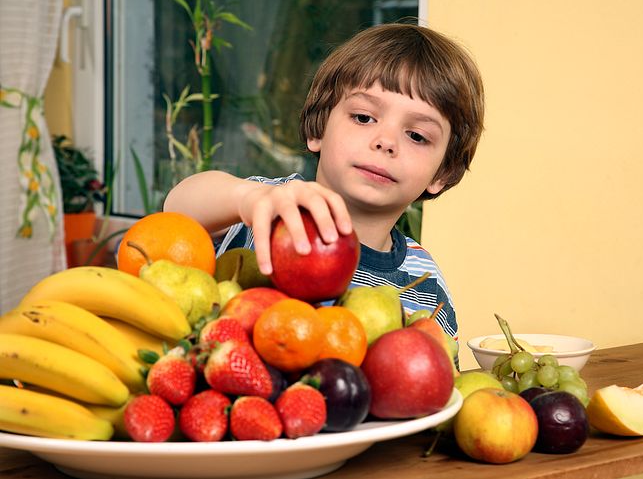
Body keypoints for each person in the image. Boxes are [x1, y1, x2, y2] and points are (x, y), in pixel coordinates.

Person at [164, 23, 485, 366]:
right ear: (319, 128)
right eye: (363, 117)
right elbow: (177, 209)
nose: (386, 141)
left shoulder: (426, 281)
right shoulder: (268, 208)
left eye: (417, 136)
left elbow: (438, 382)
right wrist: (247, 197)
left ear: (443, 172)